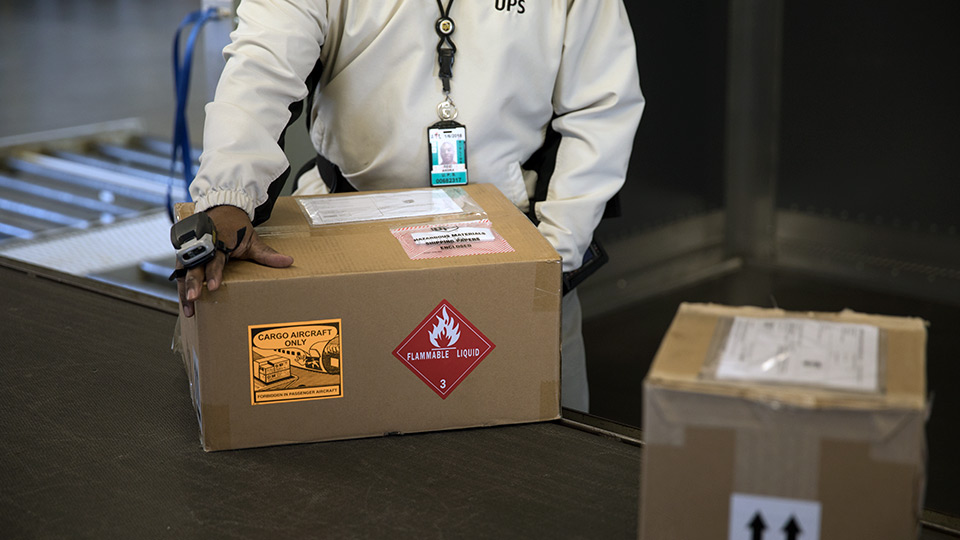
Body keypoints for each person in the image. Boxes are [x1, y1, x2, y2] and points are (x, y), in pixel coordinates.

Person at [179, 0, 644, 412]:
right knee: (349, 455)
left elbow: (601, 107)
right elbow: (261, 68)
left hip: (518, 240)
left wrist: (552, 256)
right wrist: (227, 198)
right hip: (348, 231)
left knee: (543, 458)